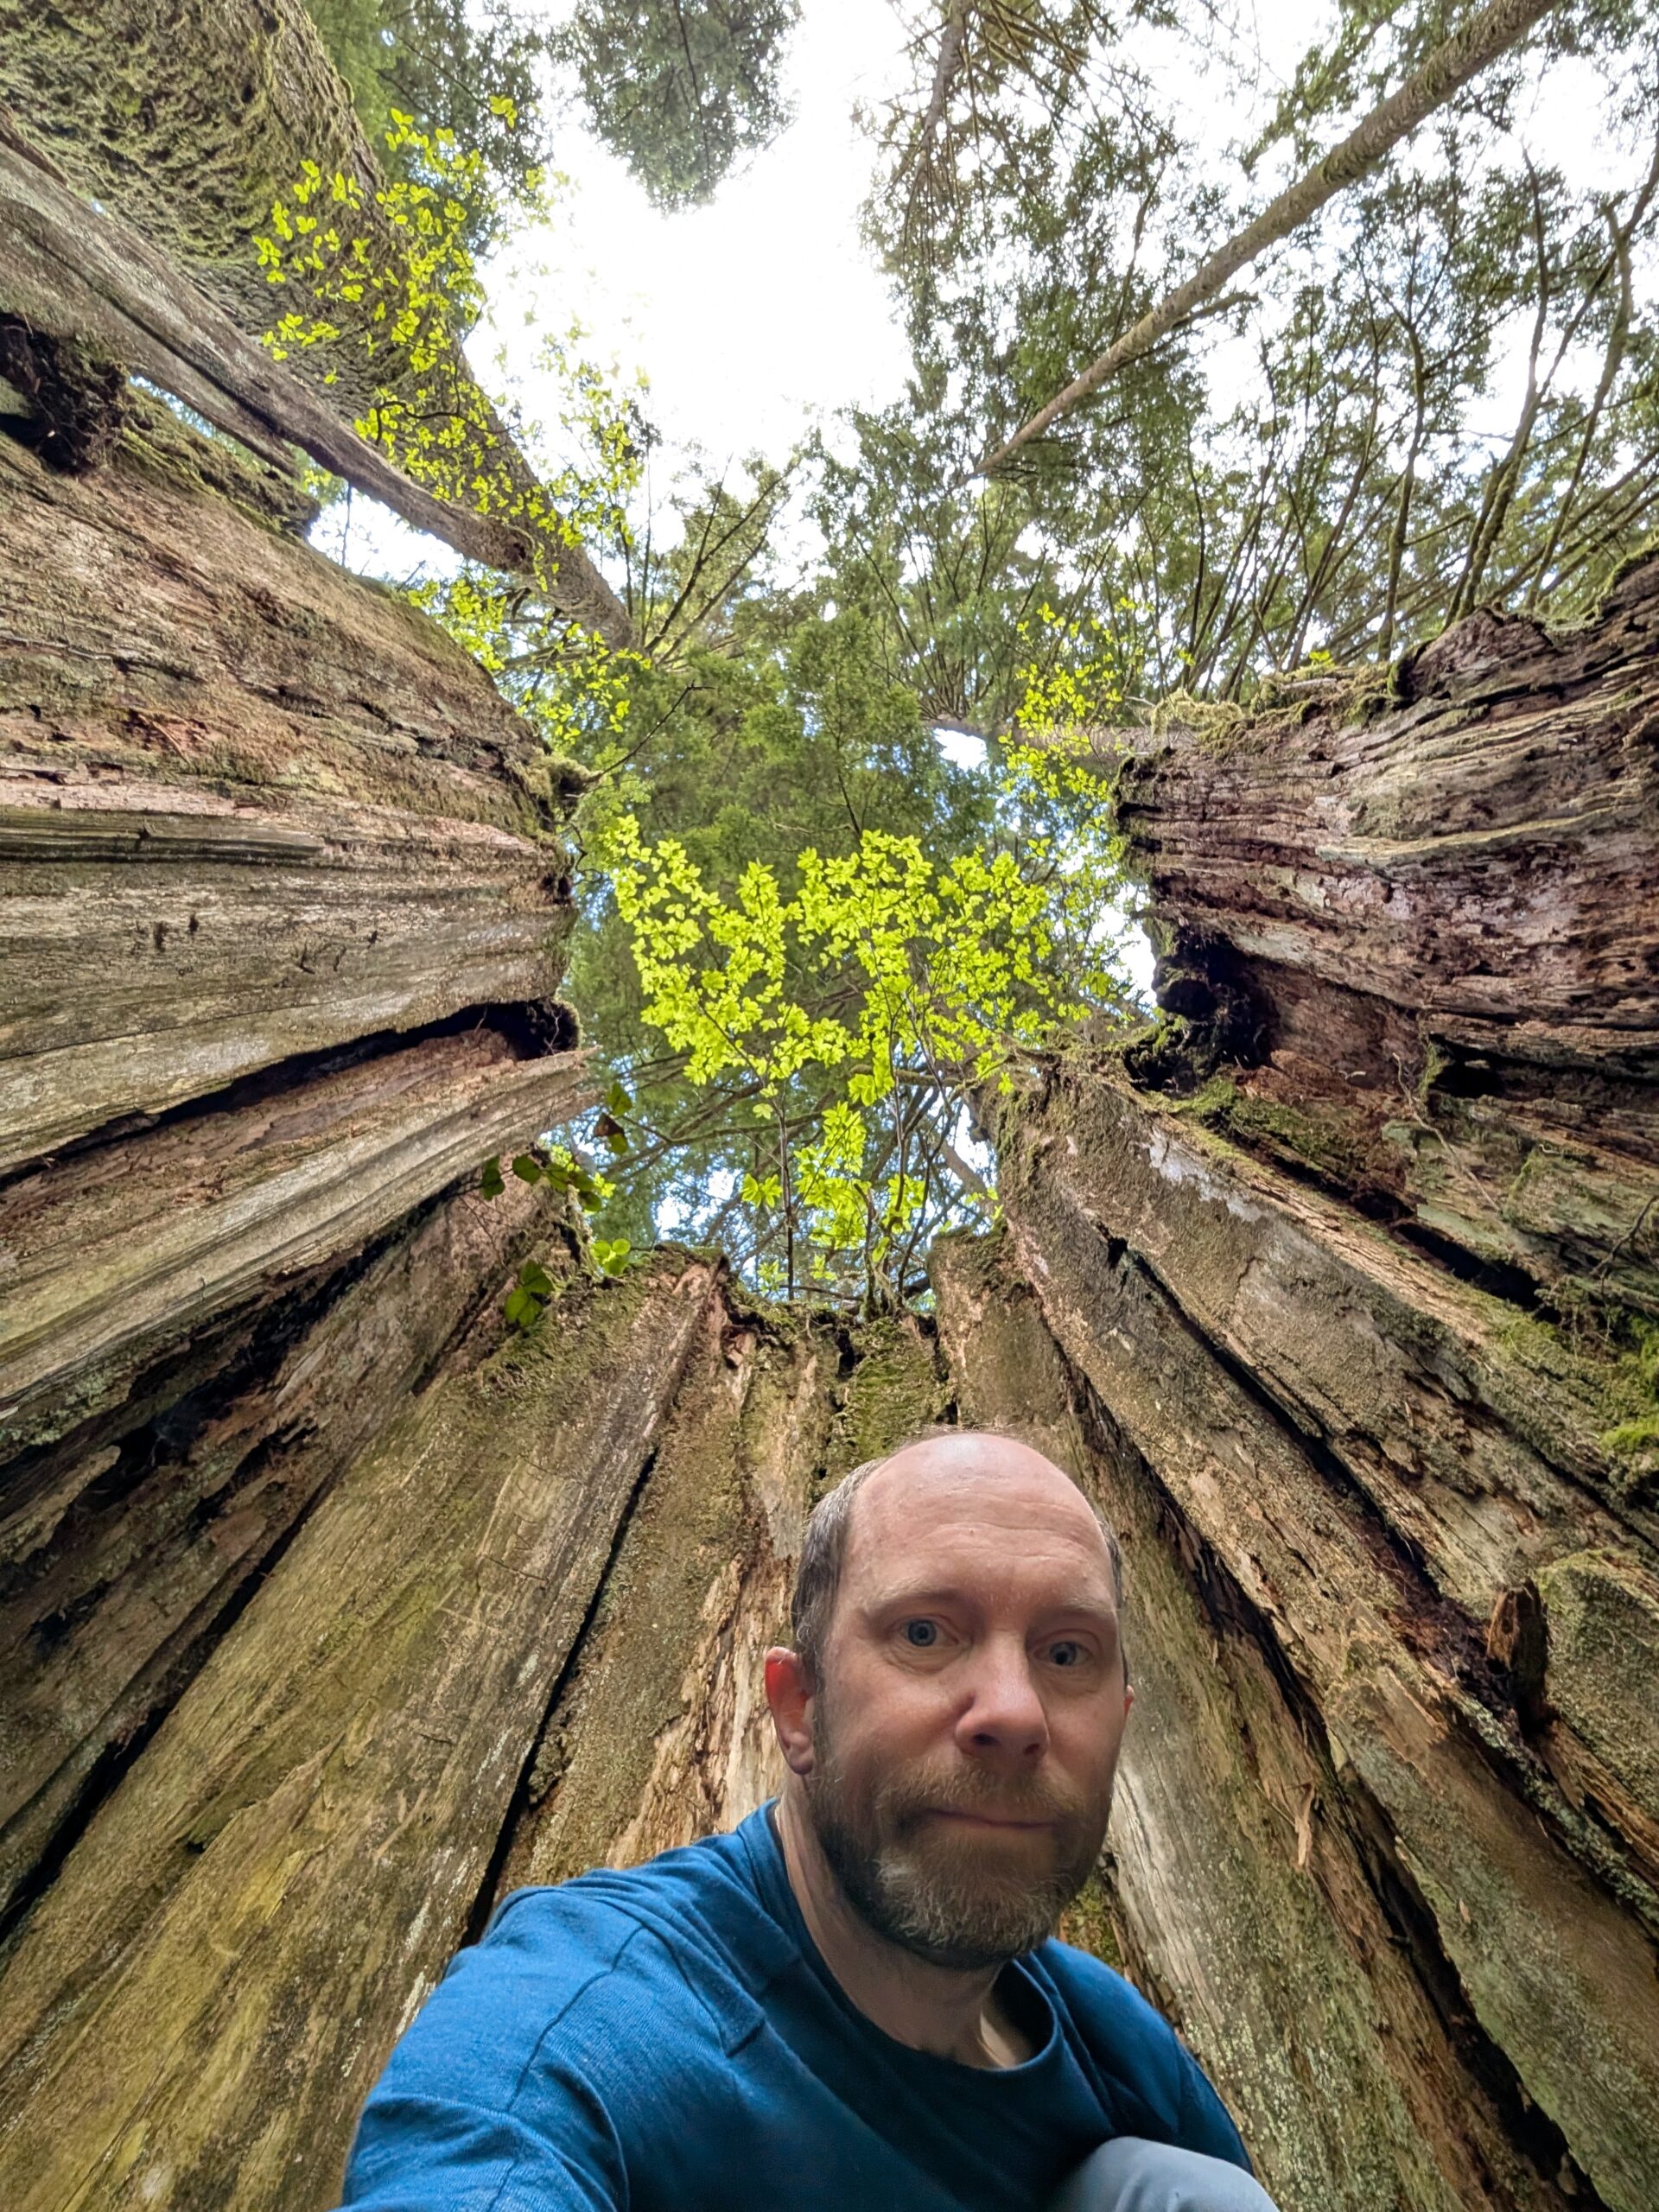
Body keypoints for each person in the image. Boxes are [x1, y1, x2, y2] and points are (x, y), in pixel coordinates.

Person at [338, 1429, 1279, 2211]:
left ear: (1120, 1721)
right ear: (798, 1710)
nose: (1013, 1712)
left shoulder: (1112, 2043)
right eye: (924, 1633)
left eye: (1067, 1652)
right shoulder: (595, 2009)